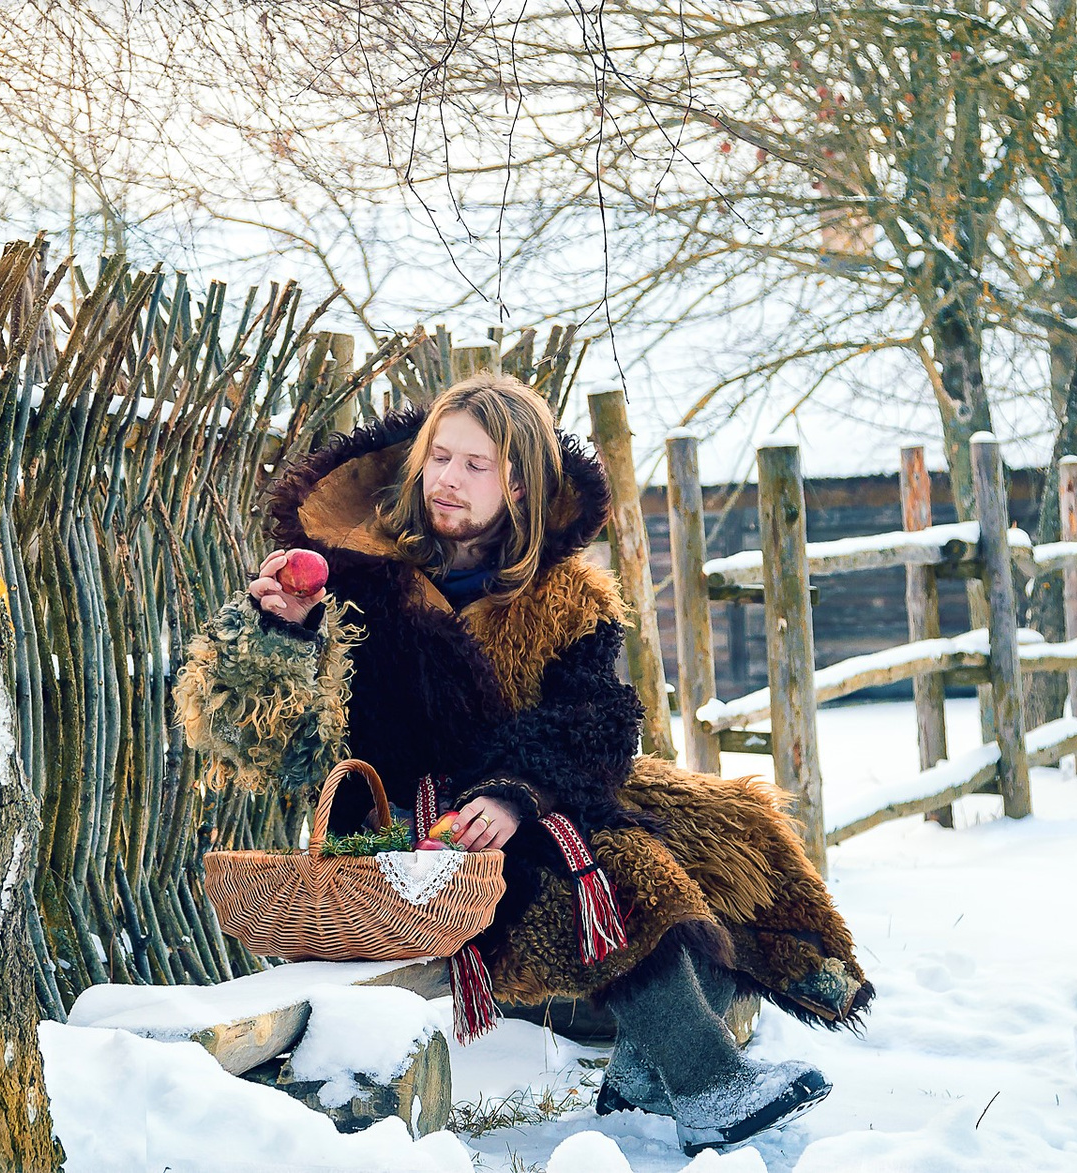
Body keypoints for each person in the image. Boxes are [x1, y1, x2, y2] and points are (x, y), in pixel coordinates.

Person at [175, 373, 872, 1153]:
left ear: (519, 486)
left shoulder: (567, 596)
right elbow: (271, 743)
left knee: (720, 829)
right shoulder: (350, 576)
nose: (447, 477)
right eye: (440, 456)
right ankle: (708, 1083)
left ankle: (656, 1067)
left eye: (475, 465)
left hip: (527, 798)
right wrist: (288, 633)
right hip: (402, 830)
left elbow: (598, 720)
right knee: (620, 862)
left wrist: (516, 792)